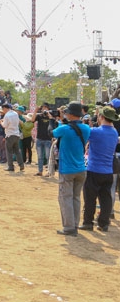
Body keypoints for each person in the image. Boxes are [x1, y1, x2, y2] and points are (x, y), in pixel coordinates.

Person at [78, 106, 119, 232]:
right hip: (108, 171)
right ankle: (103, 224)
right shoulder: (114, 132)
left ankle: (88, 222)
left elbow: (83, 134)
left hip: (94, 169)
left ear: (101, 117)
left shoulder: (95, 131)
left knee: (90, 198)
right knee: (106, 199)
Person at [52, 101, 91, 236]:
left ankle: (69, 227)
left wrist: (60, 120)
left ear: (71, 114)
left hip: (67, 169)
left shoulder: (64, 128)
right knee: (76, 198)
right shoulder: (86, 128)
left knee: (65, 198)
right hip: (81, 168)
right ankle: (74, 224)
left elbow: (53, 132)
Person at [0, 103, 25, 172]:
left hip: (9, 135)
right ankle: (21, 165)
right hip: (16, 134)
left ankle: (10, 166)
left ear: (5, 108)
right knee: (17, 151)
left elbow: (4, 125)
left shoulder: (7, 115)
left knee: (9, 151)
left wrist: (0, 122)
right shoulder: (15, 114)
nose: (3, 111)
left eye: (3, 109)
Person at [32, 103, 55, 176]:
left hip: (48, 139)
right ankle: (40, 171)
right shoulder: (39, 116)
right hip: (39, 138)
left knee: (48, 156)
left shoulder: (51, 117)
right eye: (43, 108)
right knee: (40, 156)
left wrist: (49, 115)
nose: (44, 109)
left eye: (46, 108)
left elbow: (54, 123)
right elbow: (32, 120)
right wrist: (35, 111)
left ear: (48, 109)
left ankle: (49, 172)